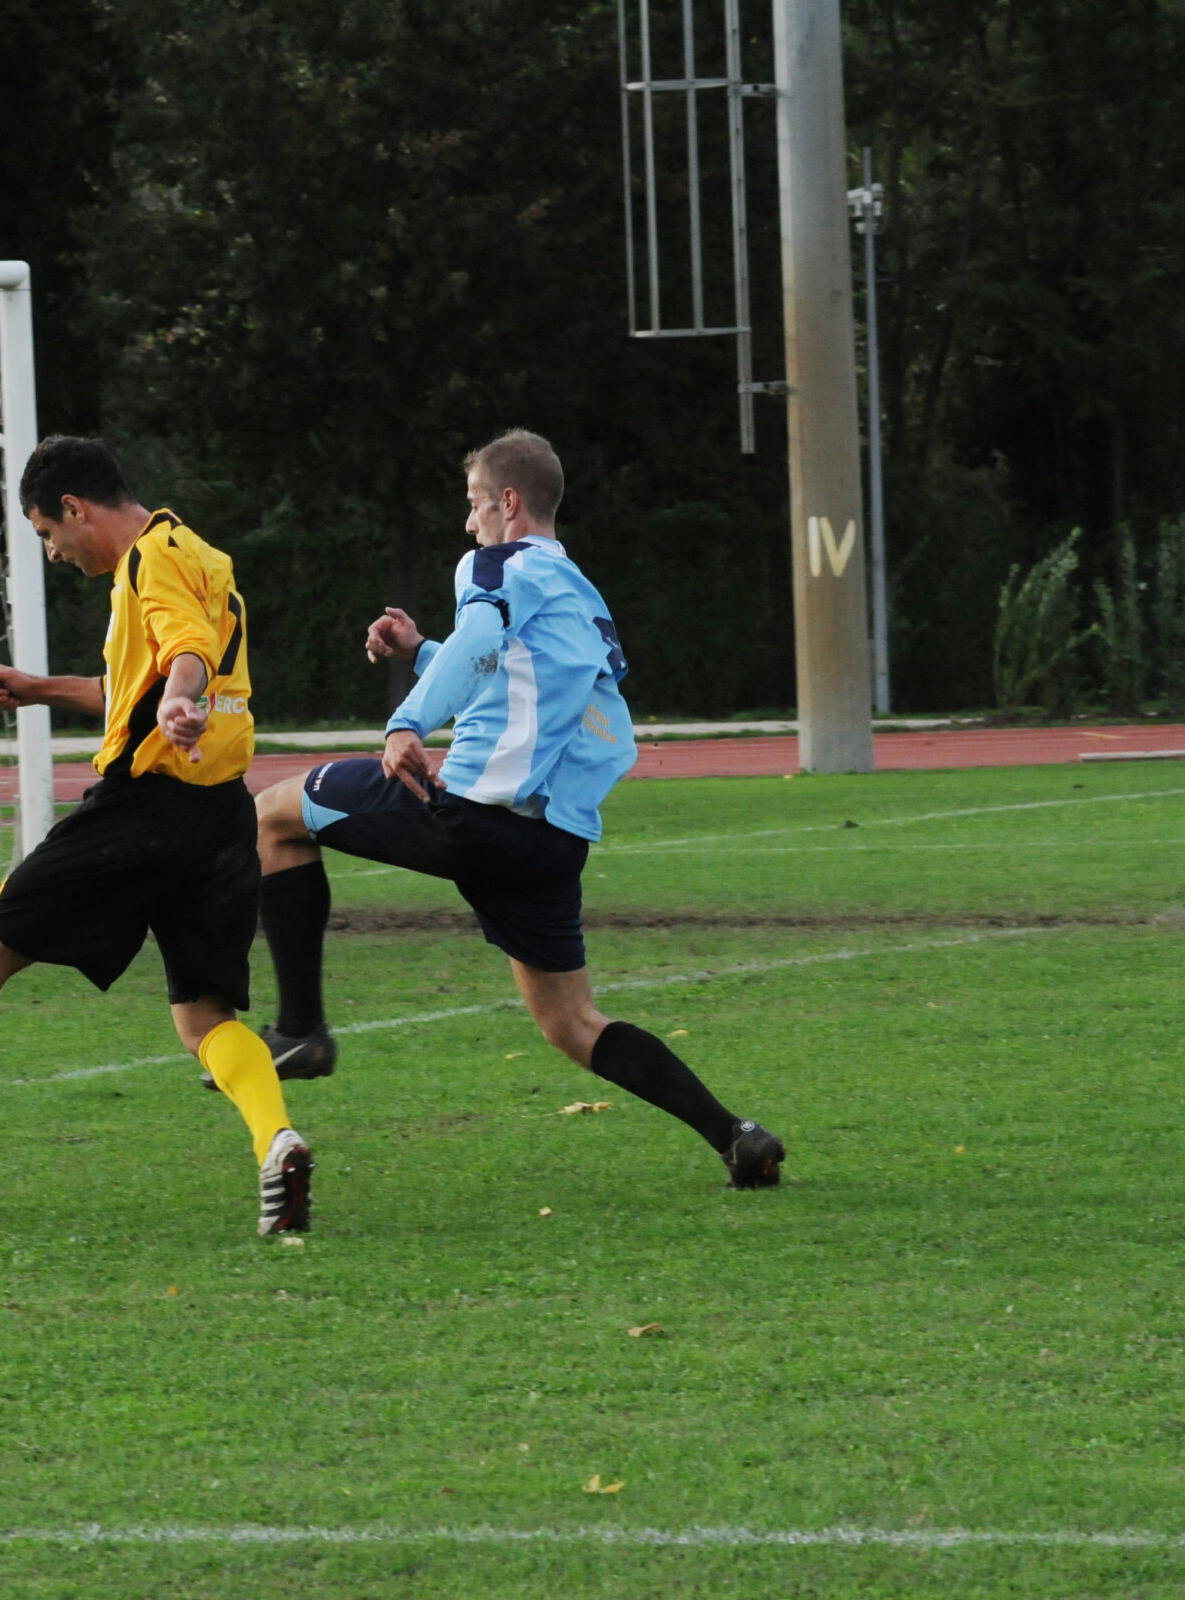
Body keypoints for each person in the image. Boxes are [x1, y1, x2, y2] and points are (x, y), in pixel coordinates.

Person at [0, 436, 315, 1235]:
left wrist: (183, 701)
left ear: (76, 509)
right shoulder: (197, 552)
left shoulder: (150, 560)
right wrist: (40, 689)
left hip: (145, 807)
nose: (52, 550)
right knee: (204, 1018)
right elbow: (144, 677)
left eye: (47, 531)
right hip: (219, 818)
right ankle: (275, 1141)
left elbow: (185, 656)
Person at [249, 429, 787, 1189]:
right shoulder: (581, 595)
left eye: (474, 506)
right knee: (573, 1023)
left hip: (467, 814)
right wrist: (424, 649)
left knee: (273, 815)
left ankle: (302, 1029)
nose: (469, 525)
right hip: (550, 843)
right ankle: (735, 1135)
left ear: (508, 502)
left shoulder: (496, 564)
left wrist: (406, 721)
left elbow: (483, 636)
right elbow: (516, 671)